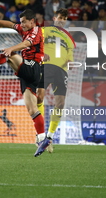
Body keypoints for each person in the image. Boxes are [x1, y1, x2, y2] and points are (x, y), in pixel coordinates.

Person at [0, 9, 49, 157]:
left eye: (24, 22)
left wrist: (11, 48)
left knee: (10, 56)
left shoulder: (36, 31)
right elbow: (11, 25)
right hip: (27, 74)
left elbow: (26, 44)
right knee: (32, 110)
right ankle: (42, 139)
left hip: (33, 67)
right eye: (21, 22)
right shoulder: (23, 28)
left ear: (32, 21)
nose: (21, 25)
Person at [36, 8, 75, 153]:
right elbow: (35, 43)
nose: (62, 20)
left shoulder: (69, 38)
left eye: (64, 18)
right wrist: (41, 53)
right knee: (39, 97)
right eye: (60, 17)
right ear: (54, 18)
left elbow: (70, 55)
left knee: (60, 103)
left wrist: (70, 62)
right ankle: (39, 136)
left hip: (61, 70)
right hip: (45, 65)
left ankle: (49, 138)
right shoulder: (45, 30)